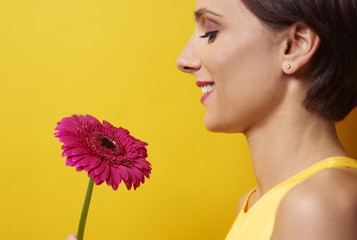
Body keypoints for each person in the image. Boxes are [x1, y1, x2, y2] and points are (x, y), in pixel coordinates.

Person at [67, 0, 357, 239]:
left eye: (211, 32)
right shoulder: (254, 204)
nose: (184, 59)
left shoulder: (319, 204)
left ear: (294, 46)